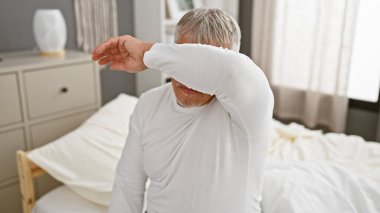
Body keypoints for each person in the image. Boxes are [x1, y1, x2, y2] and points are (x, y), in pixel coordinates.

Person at [92, 8, 274, 213]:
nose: (190, 78)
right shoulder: (149, 104)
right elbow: (127, 187)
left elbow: (231, 70)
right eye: (183, 63)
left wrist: (145, 53)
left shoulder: (249, 107)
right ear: (173, 54)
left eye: (200, 69)